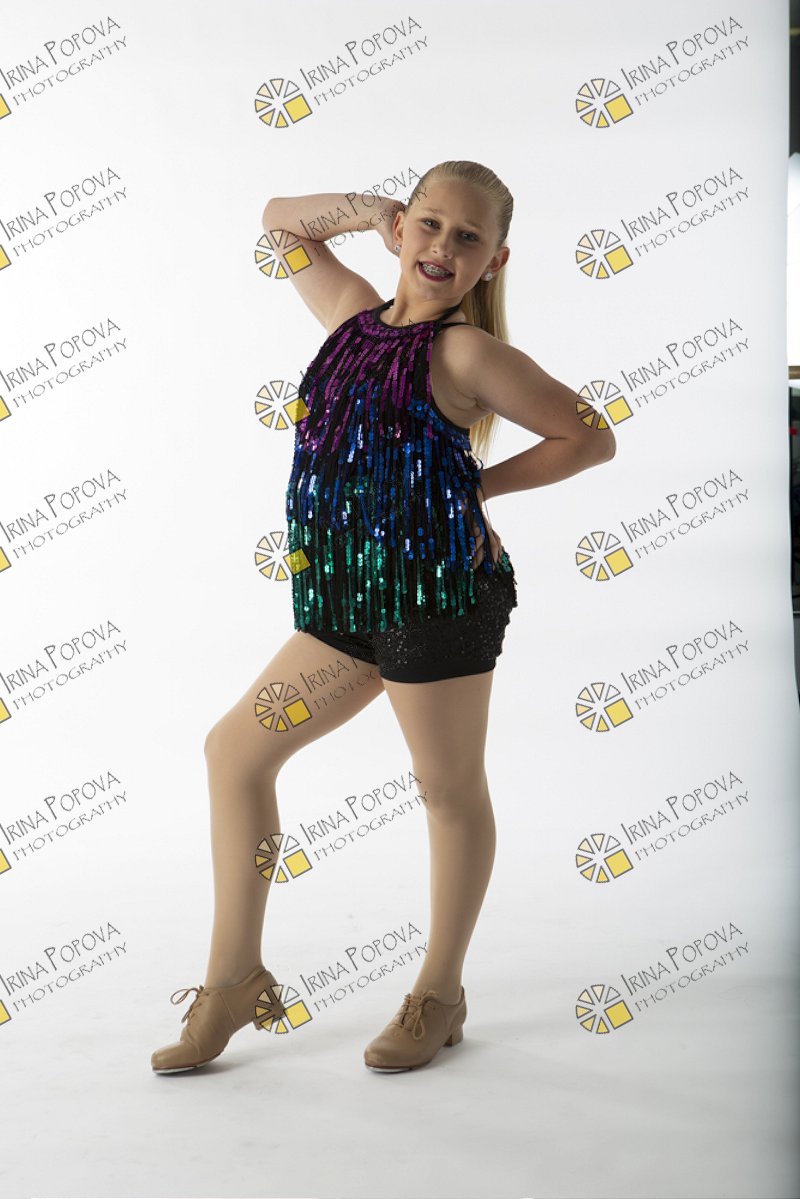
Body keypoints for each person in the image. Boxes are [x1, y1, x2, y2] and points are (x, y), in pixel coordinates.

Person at [150, 159, 616, 1076]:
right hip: (345, 599)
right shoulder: (350, 313)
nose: (443, 247)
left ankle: (440, 994)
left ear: (494, 261)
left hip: (437, 599)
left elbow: (589, 436)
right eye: (430, 224)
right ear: (404, 229)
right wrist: (368, 209)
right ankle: (234, 977)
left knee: (446, 791)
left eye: (469, 237)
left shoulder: (466, 354)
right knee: (235, 752)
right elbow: (278, 221)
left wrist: (476, 488)